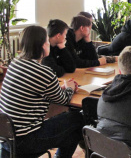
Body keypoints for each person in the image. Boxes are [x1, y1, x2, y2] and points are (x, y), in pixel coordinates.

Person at [0, 26, 83, 158]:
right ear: (42, 45)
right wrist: (69, 87)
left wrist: (58, 89)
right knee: (78, 117)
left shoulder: (15, 63)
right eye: (47, 41)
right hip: (26, 139)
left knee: (71, 133)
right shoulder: (42, 72)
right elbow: (64, 100)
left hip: (7, 138)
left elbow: (33, 91)